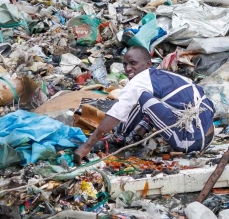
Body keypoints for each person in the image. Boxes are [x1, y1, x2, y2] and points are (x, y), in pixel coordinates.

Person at [73, 47, 216, 162]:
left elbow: (116, 113)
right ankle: (125, 136)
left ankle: (119, 138)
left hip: (190, 142)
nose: (128, 68)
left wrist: (87, 145)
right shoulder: (164, 76)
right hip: (208, 135)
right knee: (146, 99)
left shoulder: (139, 82)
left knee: (143, 98)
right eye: (125, 64)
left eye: (133, 63)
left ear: (148, 64)